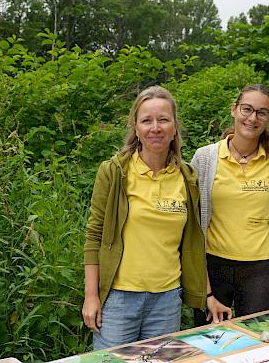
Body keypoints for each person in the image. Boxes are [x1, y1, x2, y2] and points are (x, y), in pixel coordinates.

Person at [82, 86, 207, 350]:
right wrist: (91, 296)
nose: (156, 128)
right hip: (119, 298)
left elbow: (193, 240)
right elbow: (94, 236)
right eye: (147, 120)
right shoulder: (114, 172)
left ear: (174, 126)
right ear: (136, 128)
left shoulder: (187, 177)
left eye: (163, 119)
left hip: (167, 299)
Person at [191, 84, 269, 326]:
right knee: (211, 340)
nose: (252, 118)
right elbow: (193, 224)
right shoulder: (205, 158)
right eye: (246, 109)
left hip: (259, 268)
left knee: (258, 340)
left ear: (268, 118)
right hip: (214, 265)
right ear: (234, 110)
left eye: (261, 112)